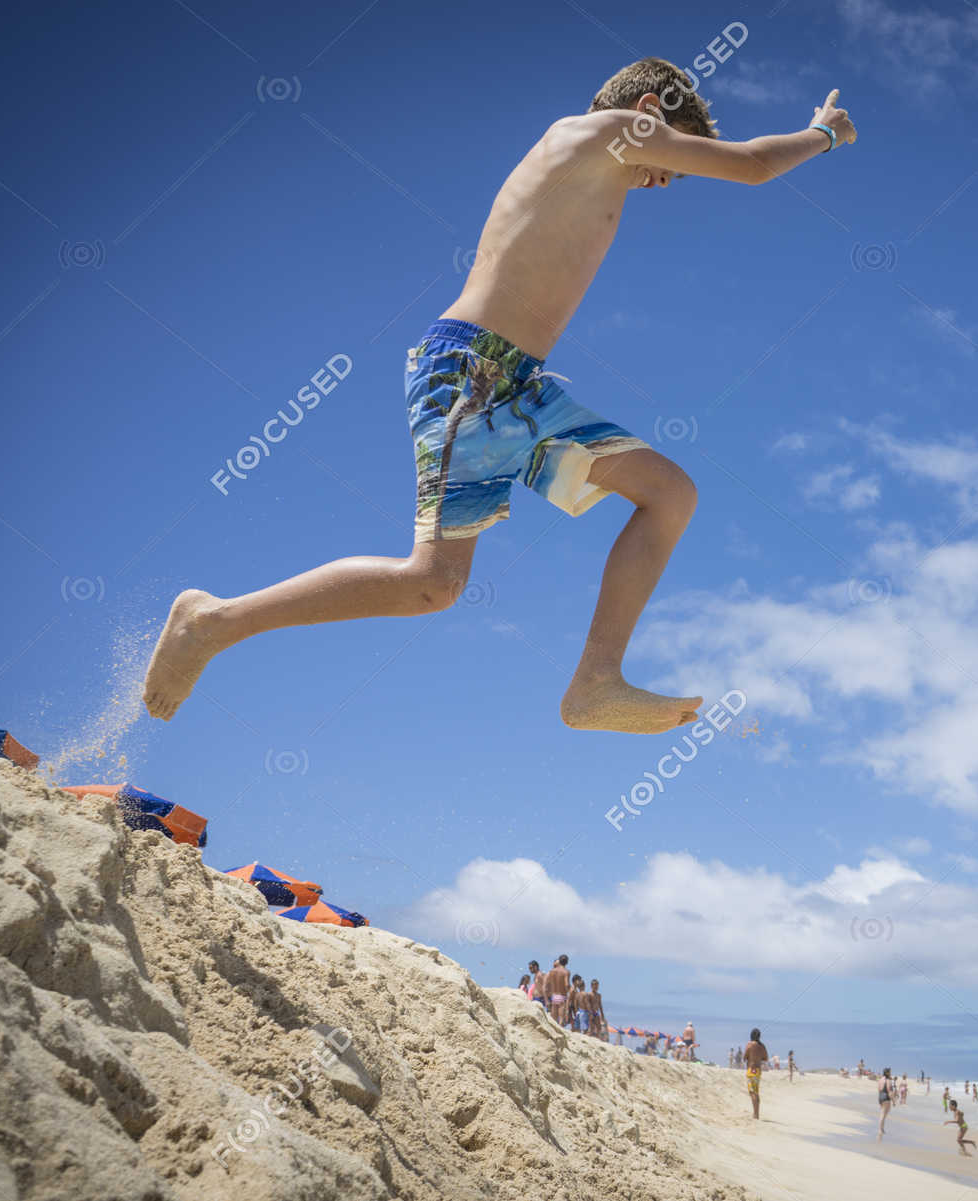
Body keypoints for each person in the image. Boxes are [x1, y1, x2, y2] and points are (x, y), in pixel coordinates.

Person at [140, 60, 859, 734]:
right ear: (648, 114)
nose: (657, 181)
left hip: (520, 388)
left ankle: (595, 682)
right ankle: (211, 623)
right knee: (431, 580)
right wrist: (825, 134)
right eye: (663, 166)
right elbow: (755, 165)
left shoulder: (599, 163)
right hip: (467, 375)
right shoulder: (604, 133)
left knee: (666, 494)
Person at [744, 1028, 769, 1119]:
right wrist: (758, 1058)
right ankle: (756, 1114)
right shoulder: (762, 1046)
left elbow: (745, 1056)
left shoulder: (750, 1045)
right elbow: (765, 1058)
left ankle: (755, 1114)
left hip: (751, 1070)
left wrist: (751, 1058)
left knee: (752, 1092)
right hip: (758, 1071)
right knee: (756, 1092)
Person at [544, 955, 571, 1025]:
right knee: (561, 1019)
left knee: (554, 1020)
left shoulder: (552, 971)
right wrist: (570, 991)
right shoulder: (566, 972)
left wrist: (547, 998)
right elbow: (567, 984)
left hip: (554, 996)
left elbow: (546, 985)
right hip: (562, 996)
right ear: (567, 962)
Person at [878, 1069, 894, 1140]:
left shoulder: (880, 1079)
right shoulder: (888, 1080)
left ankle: (882, 1129)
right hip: (886, 1097)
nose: (891, 1073)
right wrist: (893, 1101)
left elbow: (878, 1089)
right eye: (890, 1072)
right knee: (883, 1114)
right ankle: (880, 1129)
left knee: (883, 1113)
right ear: (887, 1073)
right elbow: (889, 1091)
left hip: (880, 1096)